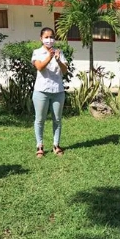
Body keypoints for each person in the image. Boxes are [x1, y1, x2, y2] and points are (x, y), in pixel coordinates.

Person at [31, 27, 68, 158]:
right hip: (41, 90)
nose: (49, 39)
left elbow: (64, 71)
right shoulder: (37, 52)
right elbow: (40, 67)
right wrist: (50, 56)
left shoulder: (60, 52)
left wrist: (58, 59)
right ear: (41, 38)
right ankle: (39, 146)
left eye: (51, 37)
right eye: (46, 37)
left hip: (58, 90)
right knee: (40, 119)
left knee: (57, 119)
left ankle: (56, 145)